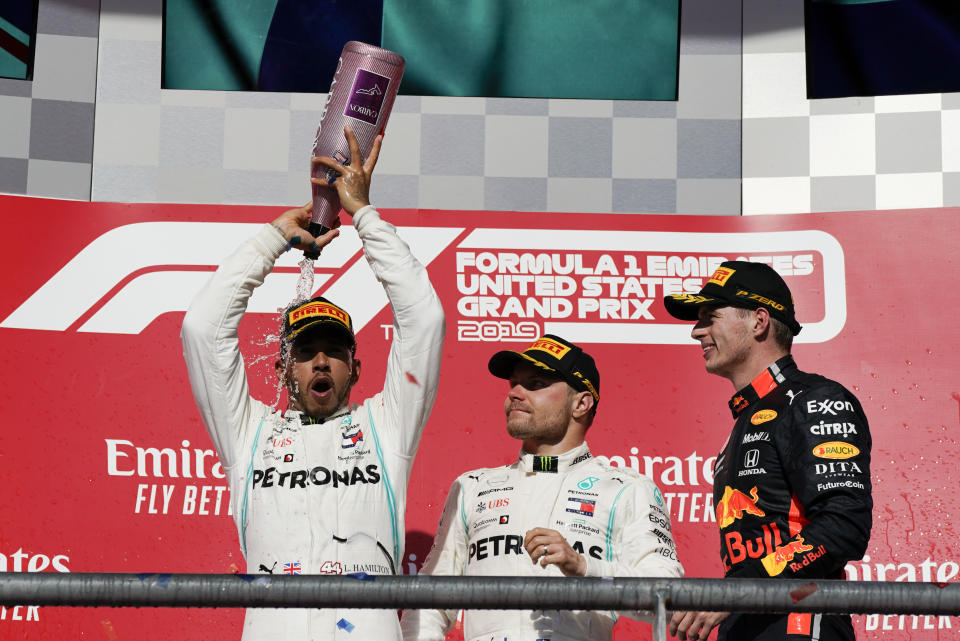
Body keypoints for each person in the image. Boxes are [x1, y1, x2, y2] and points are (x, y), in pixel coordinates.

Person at [181, 127, 445, 641]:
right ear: (284, 369)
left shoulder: (386, 429)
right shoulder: (249, 433)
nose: (320, 362)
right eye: (304, 352)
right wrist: (273, 237)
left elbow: (424, 320)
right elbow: (202, 329)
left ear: (356, 369)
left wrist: (364, 214)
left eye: (334, 352)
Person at [401, 334, 683, 641]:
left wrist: (583, 566)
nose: (515, 394)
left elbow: (668, 598)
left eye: (535, 384)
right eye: (513, 384)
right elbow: (429, 604)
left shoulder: (626, 489)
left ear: (581, 403)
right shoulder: (472, 487)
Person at [663, 261, 872, 641]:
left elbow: (844, 527)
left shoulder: (814, 399)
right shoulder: (745, 419)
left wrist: (741, 590)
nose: (697, 332)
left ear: (759, 322)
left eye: (710, 317)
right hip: (749, 622)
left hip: (801, 621)